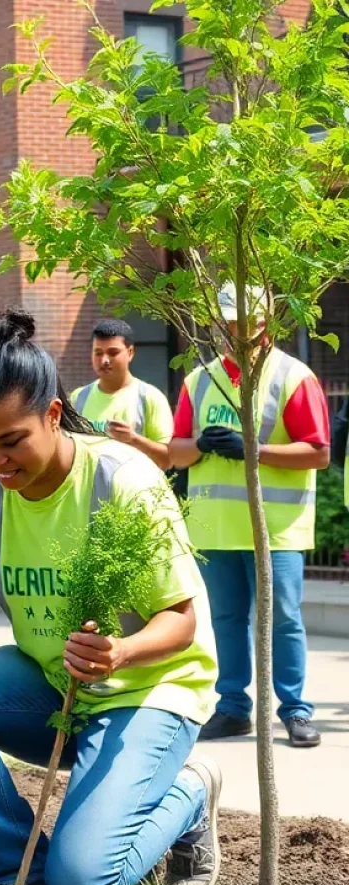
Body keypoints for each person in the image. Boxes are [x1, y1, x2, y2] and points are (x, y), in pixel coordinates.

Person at [0, 309, 222, 885]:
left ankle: (189, 790)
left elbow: (181, 621)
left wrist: (119, 653)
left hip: (149, 689)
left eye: (11, 442)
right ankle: (16, 870)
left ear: (53, 415)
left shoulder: (122, 482)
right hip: (54, 684)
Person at [169, 284, 330, 749]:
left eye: (246, 323)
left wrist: (252, 450)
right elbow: (175, 453)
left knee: (283, 619)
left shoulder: (293, 376)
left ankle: (295, 711)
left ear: (265, 323)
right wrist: (199, 445)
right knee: (225, 618)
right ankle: (233, 708)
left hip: (275, 530)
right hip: (215, 528)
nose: (236, 332)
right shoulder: (199, 380)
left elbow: (317, 453)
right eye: (229, 323)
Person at [70, 318, 174, 471]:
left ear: (130, 352)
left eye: (113, 353)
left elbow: (168, 460)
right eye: (98, 353)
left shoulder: (149, 397)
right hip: (89, 493)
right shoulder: (78, 398)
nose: (104, 360)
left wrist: (134, 439)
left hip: (136, 491)